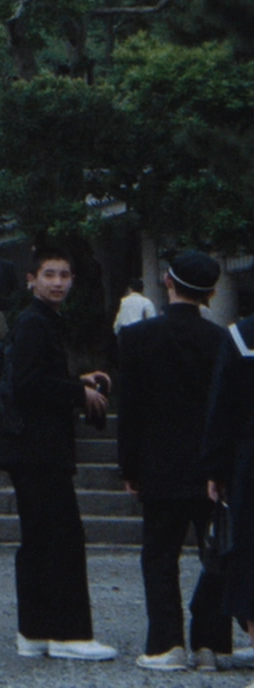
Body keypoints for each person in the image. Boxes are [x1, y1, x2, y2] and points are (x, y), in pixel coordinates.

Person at [0, 245, 116, 662]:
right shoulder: (34, 323)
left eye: (64, 274)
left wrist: (75, 381)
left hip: (28, 446)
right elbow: (28, 385)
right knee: (60, 537)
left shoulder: (38, 321)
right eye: (49, 274)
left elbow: (33, 379)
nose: (58, 282)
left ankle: (36, 631)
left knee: (41, 539)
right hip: (36, 447)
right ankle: (67, 633)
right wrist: (77, 392)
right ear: (32, 280)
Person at [118, 251, 233, 670]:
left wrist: (129, 466)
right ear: (212, 292)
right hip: (210, 466)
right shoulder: (222, 340)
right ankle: (211, 641)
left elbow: (129, 410)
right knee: (217, 553)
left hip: (159, 462)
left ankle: (167, 643)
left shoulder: (137, 338)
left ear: (167, 281)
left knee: (160, 556)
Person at [203, 289, 254, 669]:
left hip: (249, 463)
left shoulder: (242, 336)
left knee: (250, 552)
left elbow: (222, 406)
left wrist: (216, 469)